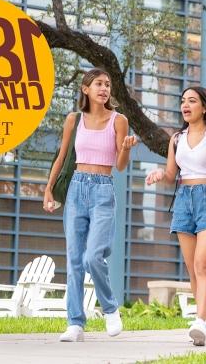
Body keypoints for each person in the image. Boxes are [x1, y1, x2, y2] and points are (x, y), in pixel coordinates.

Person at [44, 68, 138, 342]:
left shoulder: (119, 120)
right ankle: (75, 323)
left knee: (92, 256)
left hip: (103, 190)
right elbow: (62, 157)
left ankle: (109, 308)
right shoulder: (74, 119)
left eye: (107, 84)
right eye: (98, 84)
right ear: (85, 89)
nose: (104, 88)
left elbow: (120, 167)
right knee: (74, 259)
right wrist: (49, 189)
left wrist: (127, 148)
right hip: (76, 188)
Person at [145, 86, 206, 346]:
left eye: (191, 101)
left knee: (202, 264)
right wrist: (159, 174)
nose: (185, 105)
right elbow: (170, 175)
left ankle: (199, 322)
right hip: (184, 201)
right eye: (182, 101)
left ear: (205, 107)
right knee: (192, 268)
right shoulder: (176, 139)